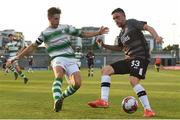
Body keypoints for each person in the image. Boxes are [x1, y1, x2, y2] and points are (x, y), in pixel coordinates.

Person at [7, 7, 109, 112]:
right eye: (56, 18)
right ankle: (56, 101)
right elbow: (32, 46)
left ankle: (61, 98)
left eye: (59, 18)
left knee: (77, 84)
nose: (58, 21)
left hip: (70, 58)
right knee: (59, 74)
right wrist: (17, 57)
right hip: (57, 58)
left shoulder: (65, 27)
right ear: (49, 18)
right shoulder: (45, 33)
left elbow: (82, 34)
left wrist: (98, 33)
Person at [87, 8, 163, 117]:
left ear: (124, 16)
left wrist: (156, 37)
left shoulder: (131, 23)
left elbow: (147, 27)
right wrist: (104, 45)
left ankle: (148, 110)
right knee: (106, 70)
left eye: (117, 17)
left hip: (140, 57)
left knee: (133, 81)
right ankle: (104, 100)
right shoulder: (121, 34)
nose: (116, 20)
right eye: (114, 19)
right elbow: (119, 48)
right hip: (129, 59)